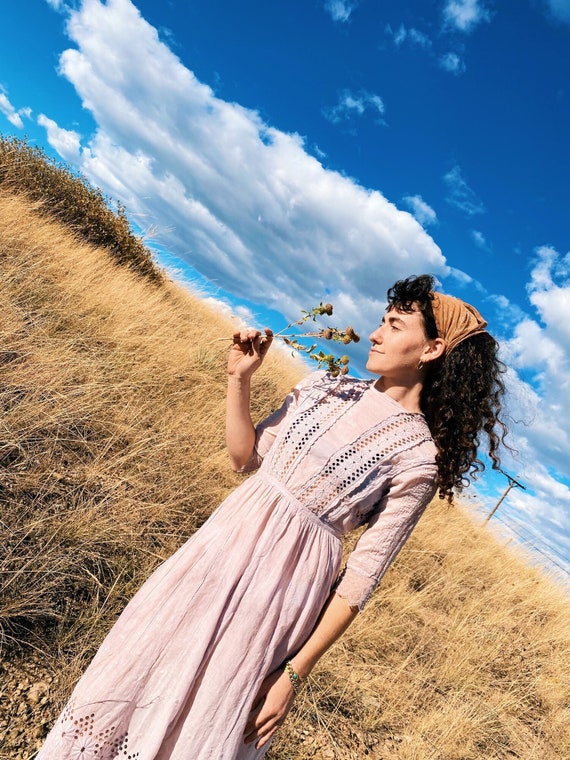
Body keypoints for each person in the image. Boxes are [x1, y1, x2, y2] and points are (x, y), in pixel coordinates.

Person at [36, 274, 508, 760]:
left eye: (394, 324)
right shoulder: (325, 386)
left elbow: (361, 579)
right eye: (381, 321)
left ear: (431, 349)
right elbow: (243, 458)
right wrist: (238, 379)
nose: (376, 333)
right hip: (212, 555)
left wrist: (292, 676)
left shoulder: (418, 458)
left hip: (278, 596)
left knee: (209, 712)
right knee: (139, 666)